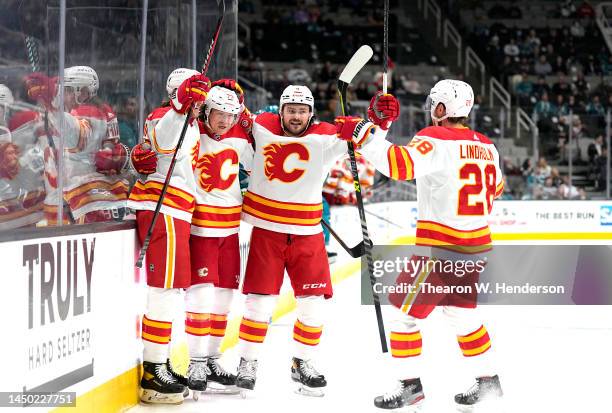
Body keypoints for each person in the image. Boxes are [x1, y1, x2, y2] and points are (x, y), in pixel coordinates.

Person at [336, 80, 504, 410]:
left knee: (402, 317)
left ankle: (410, 387)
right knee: (463, 317)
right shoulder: (488, 145)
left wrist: (363, 134)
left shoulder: (435, 137)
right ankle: (489, 382)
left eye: (434, 103)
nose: (431, 108)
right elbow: (495, 189)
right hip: (474, 249)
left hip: (440, 250)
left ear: (442, 109)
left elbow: (400, 165)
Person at [233, 85, 389, 396]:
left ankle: (302, 362)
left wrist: (379, 123)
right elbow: (230, 120)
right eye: (290, 109)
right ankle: (247, 363)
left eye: (301, 110)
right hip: (267, 231)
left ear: (311, 112)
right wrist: (230, 98)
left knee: (313, 306)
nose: (296, 116)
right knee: (260, 304)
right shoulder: (262, 127)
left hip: (308, 234)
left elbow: (365, 144)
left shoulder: (324, 138)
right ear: (281, 110)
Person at [127, 70, 211, 404]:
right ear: (179, 93)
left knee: (170, 290)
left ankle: (158, 362)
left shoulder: (187, 120)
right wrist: (180, 105)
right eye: (196, 93)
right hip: (165, 208)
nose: (200, 100)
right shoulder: (168, 115)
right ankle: (153, 371)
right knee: (163, 291)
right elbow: (162, 139)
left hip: (176, 209)